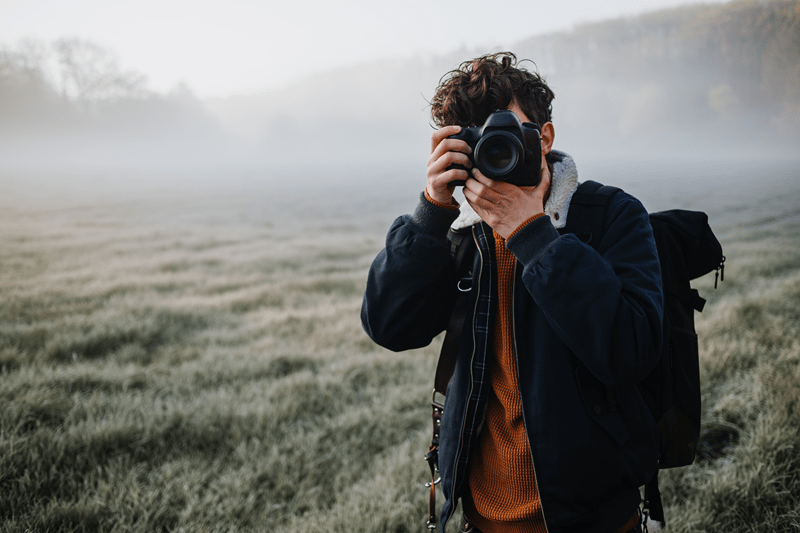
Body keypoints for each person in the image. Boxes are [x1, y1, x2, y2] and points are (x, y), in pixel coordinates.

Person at [361, 52, 663, 533]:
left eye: (506, 129)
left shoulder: (610, 215)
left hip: (596, 518)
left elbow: (631, 349)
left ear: (544, 138)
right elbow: (389, 327)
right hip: (483, 515)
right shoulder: (459, 233)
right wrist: (431, 211)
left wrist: (532, 233)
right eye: (475, 138)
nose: (491, 148)